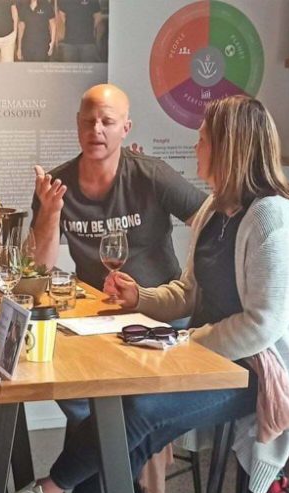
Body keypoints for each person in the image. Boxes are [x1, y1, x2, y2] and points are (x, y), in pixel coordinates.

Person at [0, 95, 289, 493]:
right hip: (215, 353)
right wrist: (141, 298)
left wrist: (186, 343)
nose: (195, 148)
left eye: (203, 140)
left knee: (138, 409)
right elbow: (189, 293)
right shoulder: (217, 211)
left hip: (266, 368)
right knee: (133, 415)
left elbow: (263, 325)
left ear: (228, 148)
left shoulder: (273, 219)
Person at [29, 83, 206, 435]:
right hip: (95, 319)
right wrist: (50, 212)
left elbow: (211, 222)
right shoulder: (56, 184)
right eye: (88, 121)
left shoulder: (151, 174)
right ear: (77, 124)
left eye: (107, 122)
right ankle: (112, 451)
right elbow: (38, 269)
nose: (96, 130)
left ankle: (117, 453)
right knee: (58, 375)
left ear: (125, 128)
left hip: (159, 315)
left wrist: (195, 281)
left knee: (135, 406)